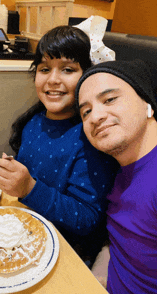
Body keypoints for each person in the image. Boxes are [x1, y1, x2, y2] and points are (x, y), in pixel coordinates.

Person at [0, 25, 118, 266]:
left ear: (87, 76)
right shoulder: (33, 122)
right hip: (23, 233)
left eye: (68, 69)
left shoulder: (89, 137)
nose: (53, 79)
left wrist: (29, 188)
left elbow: (87, 219)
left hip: (65, 251)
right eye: (44, 69)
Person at [76, 59, 157, 292]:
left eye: (110, 99)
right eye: (86, 111)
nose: (95, 116)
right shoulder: (120, 172)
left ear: (147, 102)